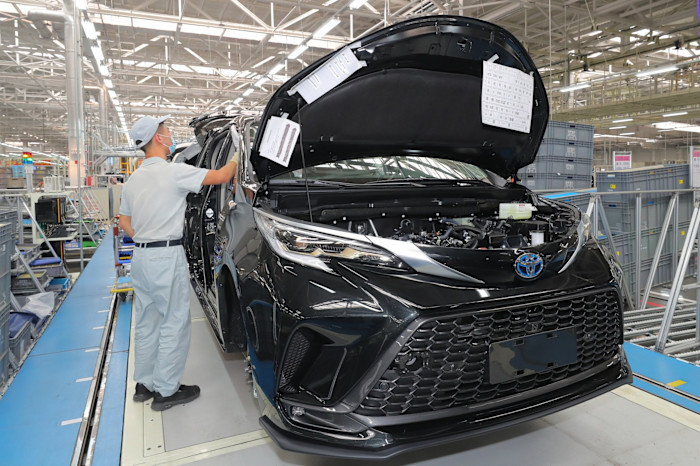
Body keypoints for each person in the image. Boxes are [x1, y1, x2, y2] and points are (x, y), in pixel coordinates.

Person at [119, 115, 238, 411]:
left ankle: (144, 384)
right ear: (158, 139)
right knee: (174, 322)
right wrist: (239, 153)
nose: (171, 134)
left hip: (142, 257)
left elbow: (123, 220)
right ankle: (166, 391)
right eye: (167, 130)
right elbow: (222, 176)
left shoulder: (134, 179)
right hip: (165, 256)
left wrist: (147, 237)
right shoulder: (174, 172)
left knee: (147, 323)